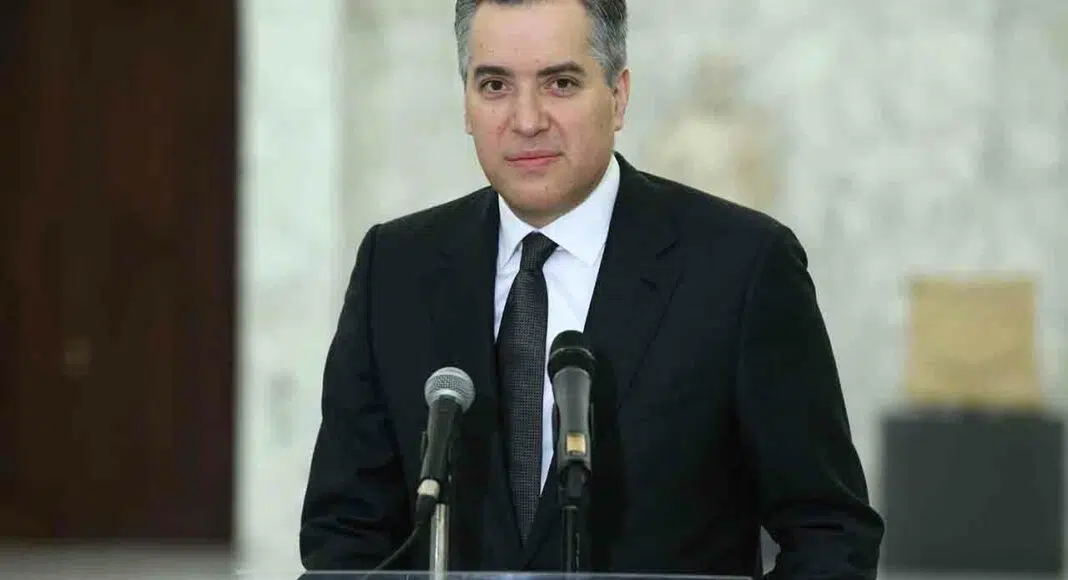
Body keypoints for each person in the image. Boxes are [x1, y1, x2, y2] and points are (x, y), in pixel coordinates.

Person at [299, 0, 884, 578]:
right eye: (495, 85)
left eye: (559, 83)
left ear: (618, 96)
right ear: (466, 104)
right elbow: (344, 535)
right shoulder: (395, 268)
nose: (526, 120)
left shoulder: (743, 267)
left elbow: (829, 533)